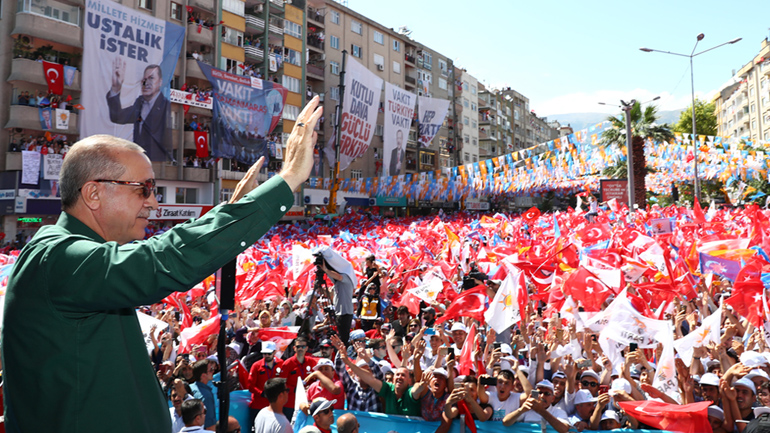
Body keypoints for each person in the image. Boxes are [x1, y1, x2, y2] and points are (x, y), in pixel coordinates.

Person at [1, 96, 323, 432]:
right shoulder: (56, 258)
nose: (154, 202)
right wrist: (287, 180)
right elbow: (162, 258)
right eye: (143, 189)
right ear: (94, 193)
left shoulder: (75, 259)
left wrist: (231, 217)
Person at [106, 60, 171, 161]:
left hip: (155, 162)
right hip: (138, 159)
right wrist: (116, 88)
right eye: (144, 79)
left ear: (160, 82)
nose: (147, 83)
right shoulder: (139, 102)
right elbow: (118, 117)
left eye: (151, 78)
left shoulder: (165, 105)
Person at [189, 360, 218, 430]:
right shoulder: (206, 396)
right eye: (211, 370)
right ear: (203, 375)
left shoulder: (189, 387)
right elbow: (209, 426)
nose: (213, 371)